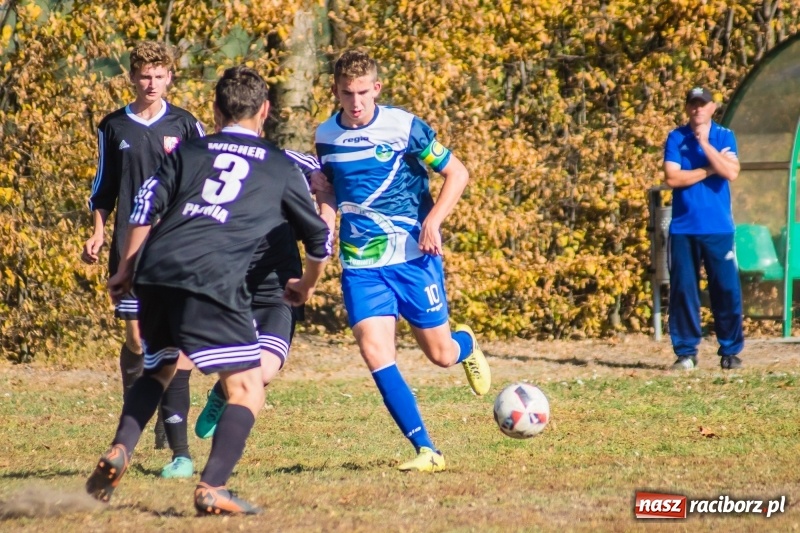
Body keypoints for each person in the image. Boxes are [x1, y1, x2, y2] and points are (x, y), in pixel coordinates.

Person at [85, 65, 331, 515]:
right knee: (247, 388)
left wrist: (125, 268)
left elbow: (143, 203)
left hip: (156, 267)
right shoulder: (277, 165)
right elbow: (320, 238)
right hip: (213, 275)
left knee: (158, 368)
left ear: (215, 112)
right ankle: (213, 486)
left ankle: (121, 448)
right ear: (265, 111)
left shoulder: (189, 149)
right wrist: (307, 284)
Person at [312, 48, 490, 473]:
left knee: (441, 355)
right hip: (361, 264)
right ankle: (427, 450)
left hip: (413, 256)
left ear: (376, 88)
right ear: (335, 91)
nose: (354, 103)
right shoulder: (325, 136)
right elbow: (335, 195)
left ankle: (465, 345)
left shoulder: (404, 127)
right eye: (345, 93)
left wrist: (433, 221)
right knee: (375, 352)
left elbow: (457, 173)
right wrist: (323, 209)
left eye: (361, 93)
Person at [81, 41, 204, 478]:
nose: (151, 83)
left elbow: (205, 182)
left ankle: (176, 444)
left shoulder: (187, 125)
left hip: (175, 245)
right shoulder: (113, 126)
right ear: (133, 78)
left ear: (171, 77)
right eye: (144, 76)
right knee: (138, 342)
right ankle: (141, 407)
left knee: (175, 343)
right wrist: (97, 230)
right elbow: (103, 188)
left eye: (159, 75)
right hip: (129, 248)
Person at [194, 150, 335, 439]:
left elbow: (324, 181)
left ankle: (221, 394)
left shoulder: (284, 160)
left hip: (278, 286)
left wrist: (325, 225)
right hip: (229, 286)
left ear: (262, 114)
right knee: (238, 374)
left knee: (265, 372)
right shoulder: (204, 162)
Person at [663, 86, 744, 370]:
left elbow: (732, 172)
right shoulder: (676, 137)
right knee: (684, 290)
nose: (697, 108)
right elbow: (673, 178)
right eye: (693, 104)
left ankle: (730, 351)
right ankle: (686, 353)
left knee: (726, 289)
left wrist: (706, 145)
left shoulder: (724, 136)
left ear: (713, 107)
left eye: (703, 104)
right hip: (683, 229)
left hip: (718, 228)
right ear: (687, 108)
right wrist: (710, 169)